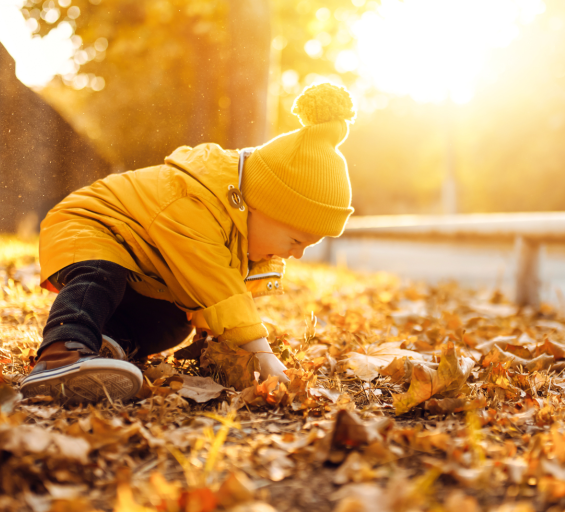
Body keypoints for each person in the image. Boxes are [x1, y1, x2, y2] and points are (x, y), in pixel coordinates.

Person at [19, 83, 356, 403]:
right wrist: (263, 354)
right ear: (261, 204)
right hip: (92, 225)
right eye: (296, 240)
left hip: (142, 260)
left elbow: (211, 305)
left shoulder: (239, 225)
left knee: (174, 322)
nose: (296, 254)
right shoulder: (196, 201)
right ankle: (61, 355)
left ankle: (107, 344)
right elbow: (215, 286)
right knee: (100, 274)